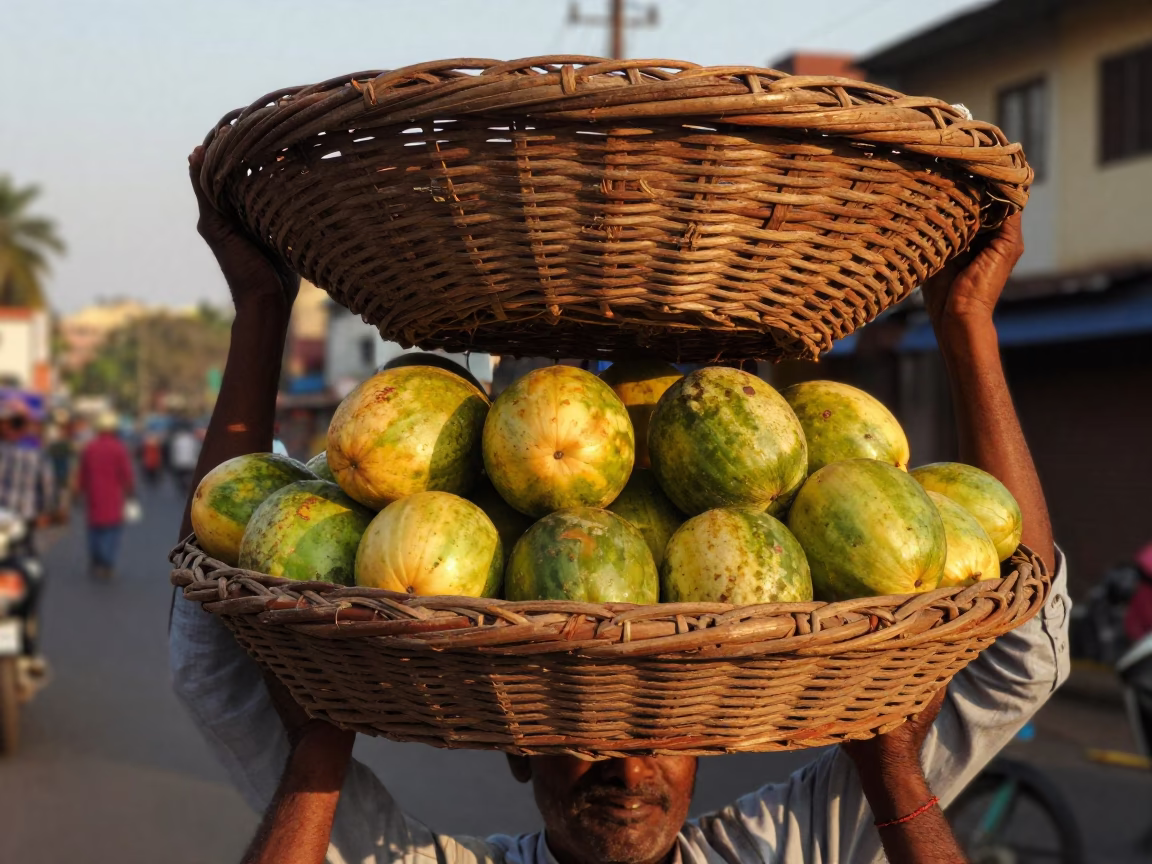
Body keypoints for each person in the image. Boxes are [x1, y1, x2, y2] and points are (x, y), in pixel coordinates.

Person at [171, 145, 1070, 864]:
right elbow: (219, 629)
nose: (624, 763)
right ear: (521, 743)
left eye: (653, 724)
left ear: (703, 731)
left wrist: (965, 323)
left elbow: (1019, 650)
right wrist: (322, 729)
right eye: (583, 722)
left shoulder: (783, 848)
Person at [78, 412, 136, 580]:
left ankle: (97, 559)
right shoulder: (118, 447)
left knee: (95, 528)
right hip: (113, 497)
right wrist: (130, 491)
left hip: (94, 495)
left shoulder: (90, 447)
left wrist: (79, 491)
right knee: (111, 530)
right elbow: (126, 474)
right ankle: (107, 562)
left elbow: (83, 473)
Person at [168, 420, 201, 494]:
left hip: (179, 463)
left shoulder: (176, 439)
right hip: (191, 463)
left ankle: (184, 487)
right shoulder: (193, 438)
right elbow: (197, 450)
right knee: (189, 476)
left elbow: (173, 452)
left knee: (180, 477)